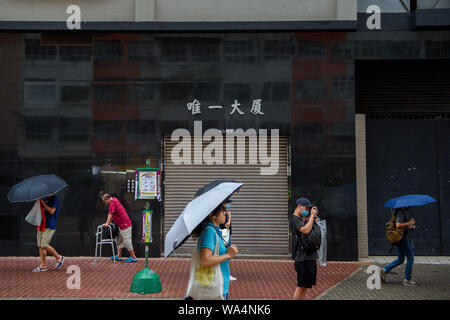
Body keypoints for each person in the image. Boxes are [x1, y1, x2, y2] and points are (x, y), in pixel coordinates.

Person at [191, 201, 239, 300]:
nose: (225, 213)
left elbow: (215, 253)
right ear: (213, 215)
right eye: (222, 211)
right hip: (213, 289)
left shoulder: (215, 231)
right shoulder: (209, 232)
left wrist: (227, 251)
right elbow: (205, 261)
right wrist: (228, 255)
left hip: (219, 286)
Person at [290, 197, 319, 300]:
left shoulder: (301, 219)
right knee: (301, 286)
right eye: (306, 208)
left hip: (308, 257)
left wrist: (313, 217)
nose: (307, 211)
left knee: (305, 287)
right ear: (299, 206)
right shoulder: (295, 219)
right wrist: (311, 216)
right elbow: (306, 230)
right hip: (302, 258)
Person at [381, 207, 417, 286]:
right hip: (404, 239)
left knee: (400, 259)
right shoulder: (401, 212)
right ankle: (407, 279)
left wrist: (409, 226)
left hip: (399, 238)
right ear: (403, 205)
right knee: (410, 258)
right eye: (407, 205)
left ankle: (384, 270)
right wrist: (409, 222)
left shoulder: (395, 211)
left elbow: (398, 225)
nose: (409, 206)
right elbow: (398, 225)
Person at [32, 195, 65, 272]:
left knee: (44, 244)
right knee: (40, 245)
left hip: (50, 225)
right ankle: (43, 266)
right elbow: (42, 210)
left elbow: (52, 211)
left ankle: (58, 257)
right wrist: (38, 203)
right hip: (42, 224)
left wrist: (43, 203)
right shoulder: (45, 198)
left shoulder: (55, 199)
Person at [102, 193, 137, 263]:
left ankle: (133, 257)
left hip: (125, 224)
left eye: (105, 201)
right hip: (121, 225)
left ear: (107, 199)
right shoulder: (115, 200)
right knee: (120, 240)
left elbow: (110, 214)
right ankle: (119, 256)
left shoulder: (113, 202)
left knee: (127, 241)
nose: (105, 203)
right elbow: (113, 214)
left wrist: (107, 223)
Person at [219, 198, 237, 281]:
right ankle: (225, 274)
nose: (229, 205)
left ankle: (225, 273)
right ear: (223, 203)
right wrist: (229, 217)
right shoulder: (221, 212)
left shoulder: (225, 212)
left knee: (227, 256)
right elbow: (225, 225)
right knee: (225, 255)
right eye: (228, 203)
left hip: (227, 235)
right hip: (223, 236)